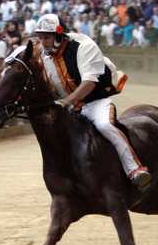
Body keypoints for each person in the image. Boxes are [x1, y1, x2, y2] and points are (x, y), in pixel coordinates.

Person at [33, 13, 151, 189]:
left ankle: (135, 169)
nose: (43, 42)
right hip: (70, 109)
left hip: (95, 103)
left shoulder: (84, 46)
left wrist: (66, 102)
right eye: (40, 38)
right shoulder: (43, 55)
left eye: (47, 37)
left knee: (105, 126)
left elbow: (89, 83)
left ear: (59, 35)